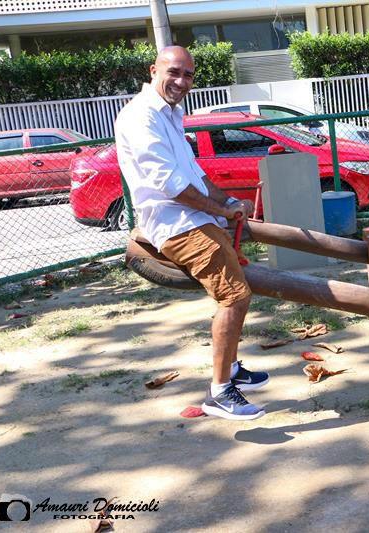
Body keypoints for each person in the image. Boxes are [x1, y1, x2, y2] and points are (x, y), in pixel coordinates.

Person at [115, 46, 268, 421]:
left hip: (192, 217)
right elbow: (169, 185)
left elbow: (193, 174)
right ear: (154, 70)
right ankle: (219, 392)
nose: (181, 81)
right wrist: (220, 210)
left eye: (188, 75)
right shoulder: (141, 116)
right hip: (174, 223)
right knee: (234, 297)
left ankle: (231, 370)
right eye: (174, 72)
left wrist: (228, 200)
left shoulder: (171, 113)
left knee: (237, 292)